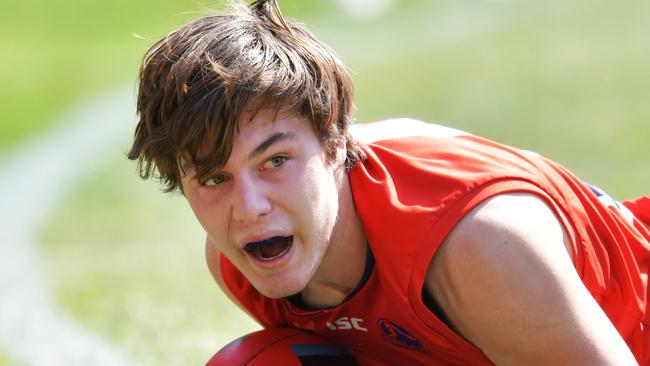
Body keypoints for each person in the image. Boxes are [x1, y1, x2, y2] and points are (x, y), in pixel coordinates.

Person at [128, 1, 649, 364]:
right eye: (215, 177)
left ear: (335, 143)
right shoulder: (241, 263)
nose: (249, 207)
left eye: (275, 161)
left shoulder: (477, 244)